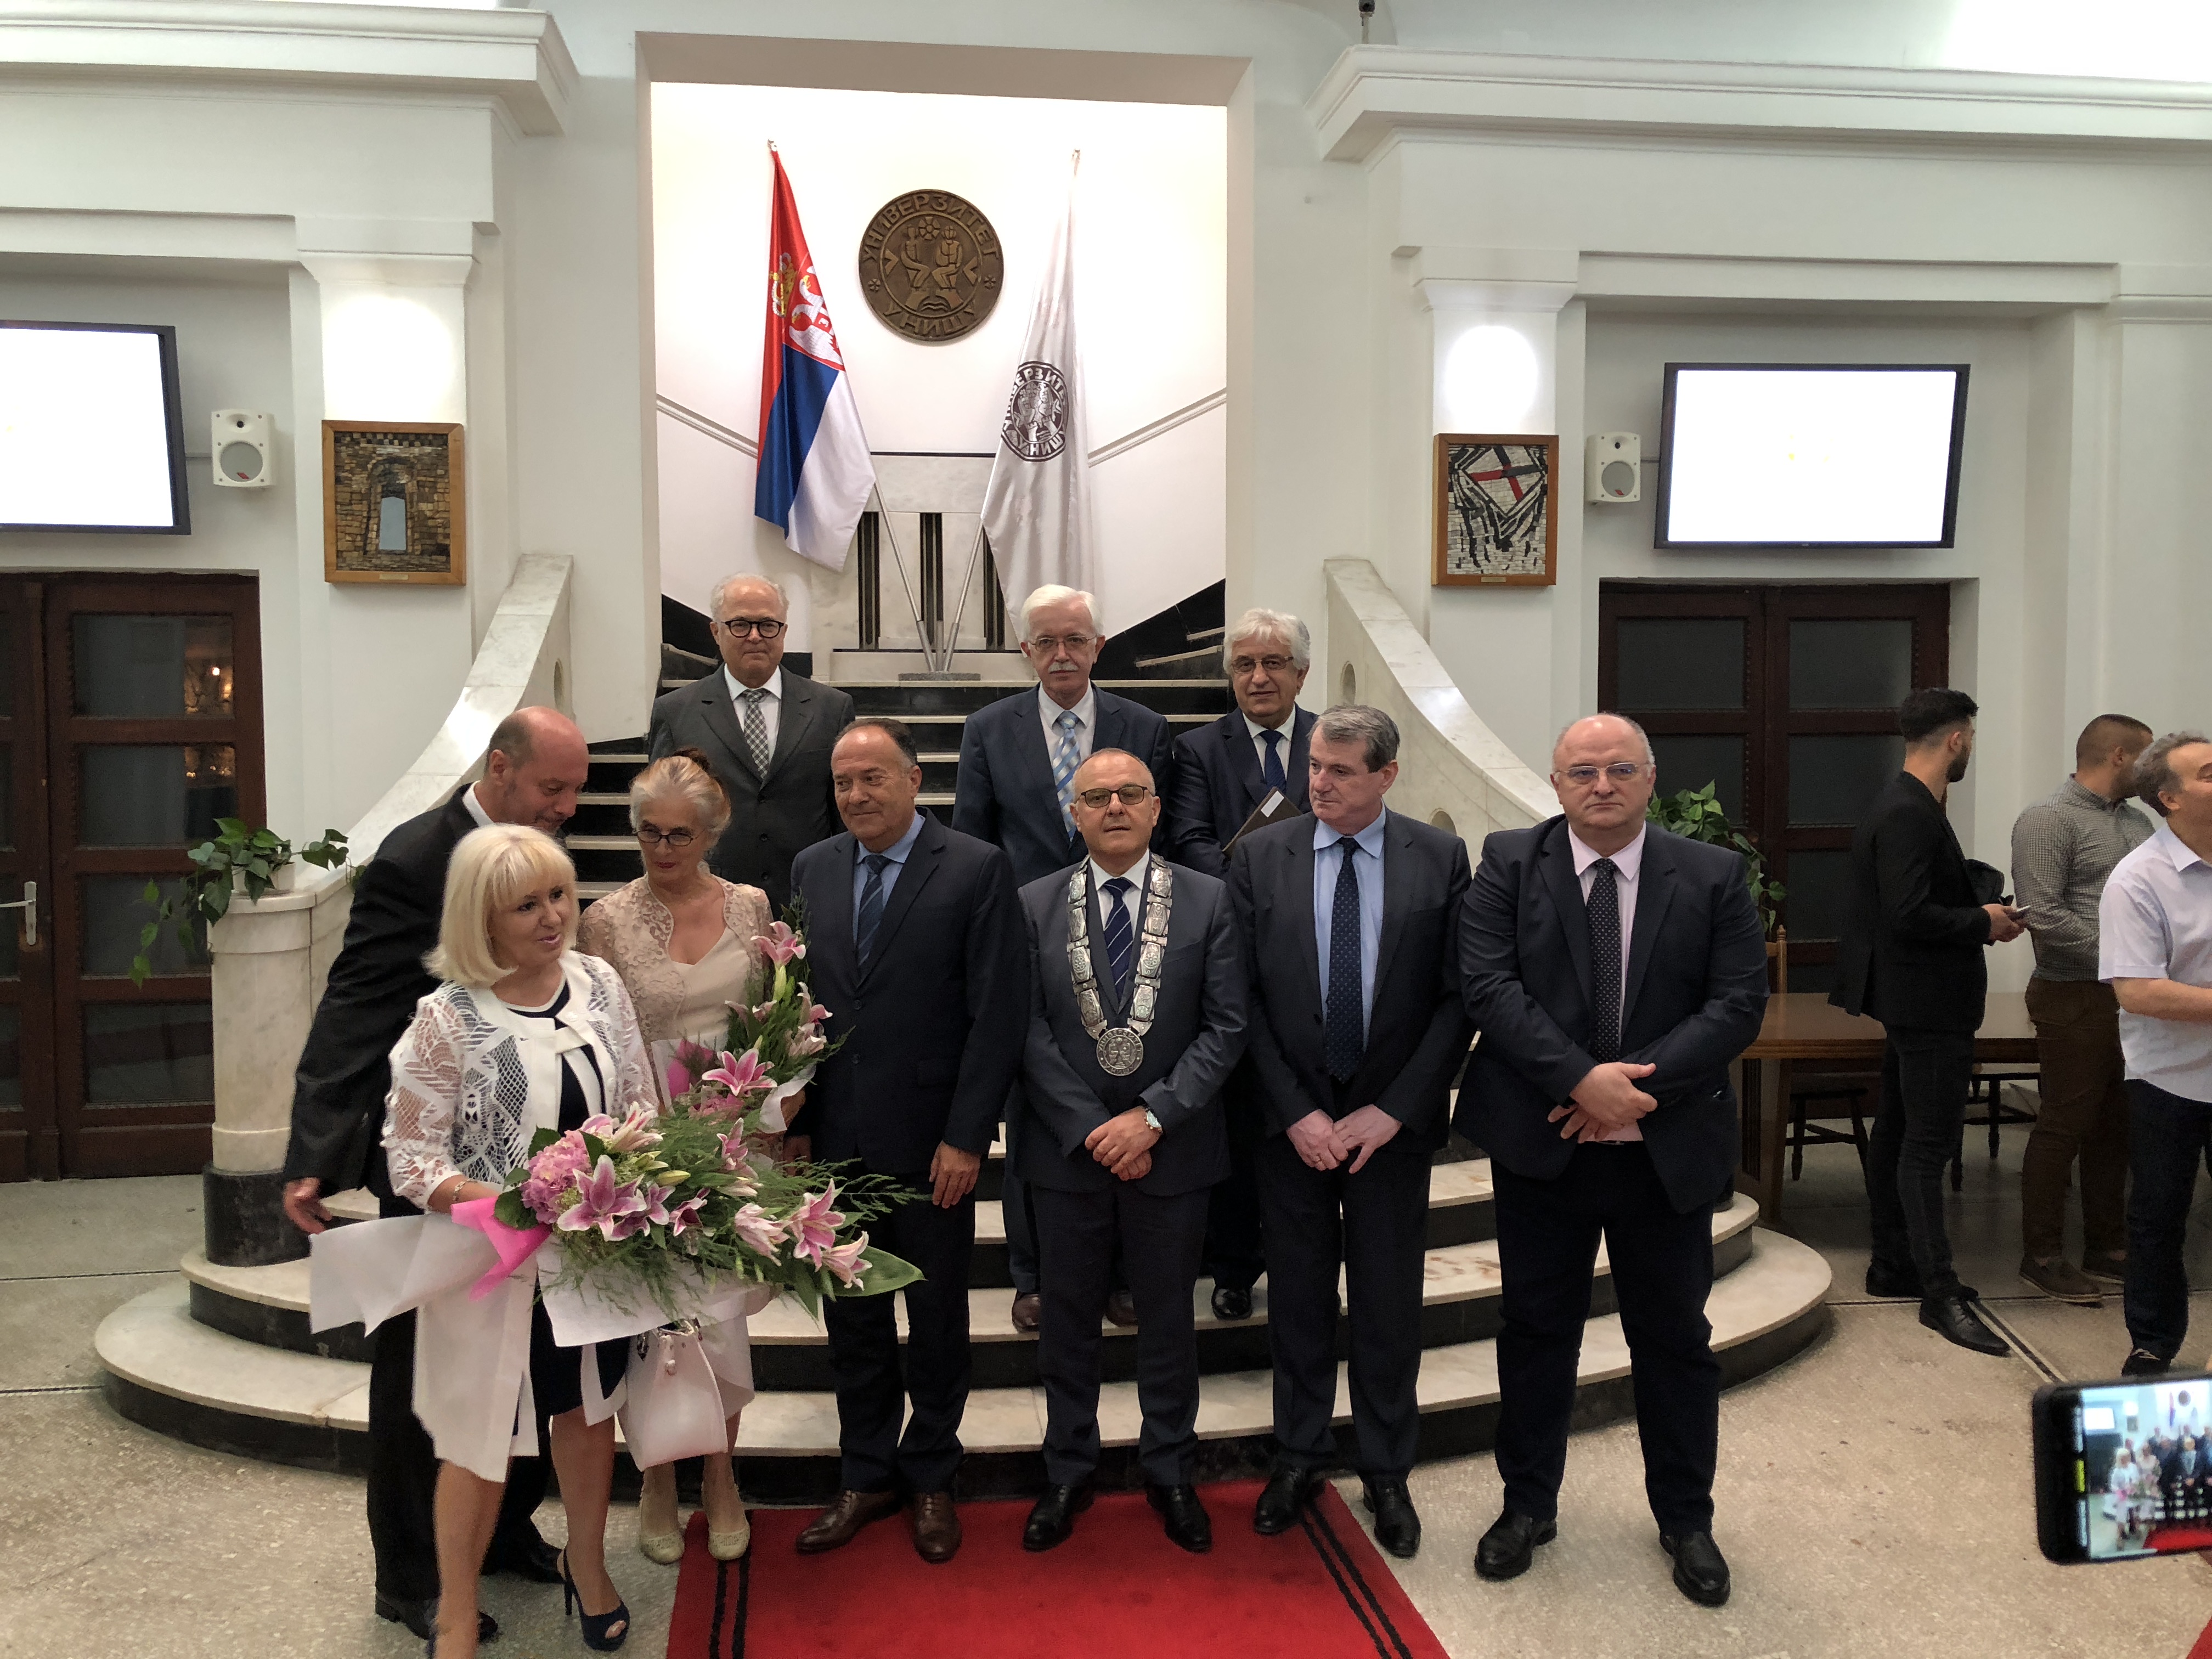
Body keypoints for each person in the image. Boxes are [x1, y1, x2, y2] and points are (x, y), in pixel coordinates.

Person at [280, 707, 589, 1643]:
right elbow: (358, 1001)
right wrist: (315, 1149)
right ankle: (410, 1573)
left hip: (533, 1167)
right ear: (499, 768)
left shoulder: (532, 846)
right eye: (554, 788)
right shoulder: (419, 858)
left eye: (577, 790)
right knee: (425, 1376)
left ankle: (498, 1530)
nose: (568, 807)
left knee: (527, 1359)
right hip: (439, 1166)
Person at [1459, 714, 1768, 1609]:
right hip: (1544, 1145)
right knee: (1535, 1332)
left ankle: (1686, 1518)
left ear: (1650, 778)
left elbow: (1736, 1002)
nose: (1601, 785)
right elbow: (1489, 986)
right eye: (1582, 771)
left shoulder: (1709, 874)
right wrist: (1579, 1080)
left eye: (1620, 769)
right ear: (1556, 783)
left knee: (1673, 1341)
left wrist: (1631, 1089)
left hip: (1664, 1151)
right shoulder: (1509, 862)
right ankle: (1527, 1504)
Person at [382, 825, 658, 1658]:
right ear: (481, 920)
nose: (553, 917)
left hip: (593, 1255)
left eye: (560, 895)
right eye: (526, 905)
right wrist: (514, 1202)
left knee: (586, 1414)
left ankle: (588, 1566)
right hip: (492, 1264)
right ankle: (457, 1612)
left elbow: (640, 1103)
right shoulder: (447, 1018)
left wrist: (631, 1180)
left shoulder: (599, 984)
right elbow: (410, 1157)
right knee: (476, 1440)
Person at [1231, 705, 1473, 1559]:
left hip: (1389, 1129)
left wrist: (1397, 1108)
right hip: (1290, 1125)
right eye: (1314, 766)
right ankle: (1298, 1455)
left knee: (1386, 1303)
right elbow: (1241, 998)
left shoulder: (1439, 857)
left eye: (1340, 770)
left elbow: (1457, 998)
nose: (1319, 782)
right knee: (1298, 1299)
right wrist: (1296, 1111)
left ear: (1386, 775)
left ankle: (1385, 1468)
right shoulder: (1260, 855)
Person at [786, 718, 1029, 1564]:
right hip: (837, 1145)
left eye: (873, 778)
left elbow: (998, 1013)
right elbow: (796, 1006)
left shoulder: (975, 867)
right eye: (843, 782)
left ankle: (931, 1475)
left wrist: (967, 1138)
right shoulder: (812, 868)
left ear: (915, 779)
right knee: (851, 1320)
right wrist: (797, 1125)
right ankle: (865, 1474)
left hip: (934, 1148)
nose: (855, 795)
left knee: (935, 1319)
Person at [1014, 749, 1248, 1556]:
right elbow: (1025, 1029)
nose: (1114, 807)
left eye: (1130, 794)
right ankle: (1068, 1470)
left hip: (1173, 1153)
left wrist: (1151, 1119)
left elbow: (1227, 1028)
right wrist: (1093, 1128)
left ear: (1155, 809)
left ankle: (1170, 1469)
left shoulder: (1211, 900)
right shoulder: (1033, 903)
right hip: (1067, 1155)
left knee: (1169, 1323)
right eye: (1096, 796)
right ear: (1073, 814)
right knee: (1067, 1324)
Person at [952, 584, 1172, 1331]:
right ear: (1025, 651)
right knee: (1034, 1106)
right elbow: (974, 843)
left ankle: (1124, 1275)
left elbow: (1162, 832)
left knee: (1125, 1092)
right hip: (1031, 942)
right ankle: (1033, 1274)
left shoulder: (1145, 727)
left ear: (1099, 646)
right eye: (1045, 642)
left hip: (1129, 932)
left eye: (1076, 639)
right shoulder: (989, 729)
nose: (1062, 654)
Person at [575, 749, 775, 1566]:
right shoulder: (603, 920)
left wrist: (768, 1098)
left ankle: (721, 1476)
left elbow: (770, 1019)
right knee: (652, 1321)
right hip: (643, 1142)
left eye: (680, 835)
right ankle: (656, 1478)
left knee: (721, 1322)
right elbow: (593, 1036)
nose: (662, 849)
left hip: (734, 1136)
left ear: (712, 833)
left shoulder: (752, 906)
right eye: (649, 833)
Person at [1832, 687, 2025, 1356]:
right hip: (1930, 1003)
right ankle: (1939, 1293)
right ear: (1956, 739)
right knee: (1928, 1145)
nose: (1971, 748)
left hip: (1912, 1000)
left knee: (1897, 1132)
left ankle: (1894, 1265)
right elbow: (1908, 913)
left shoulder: (1904, 801)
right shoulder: (1910, 811)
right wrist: (1985, 921)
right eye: (1971, 738)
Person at [1167, 607, 1319, 1321]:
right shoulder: (1198, 749)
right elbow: (1190, 839)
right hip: (1228, 948)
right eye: (1244, 665)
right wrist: (1256, 893)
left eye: (1273, 663)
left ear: (1301, 673)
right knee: (1234, 1120)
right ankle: (1233, 1267)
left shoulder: (1332, 739)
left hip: (1315, 953)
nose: (1258, 677)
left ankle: (1304, 1264)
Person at [2011, 714, 2154, 1305]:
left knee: (2116, 1125)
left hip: (2133, 997)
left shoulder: (2138, 822)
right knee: (2064, 1124)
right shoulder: (2048, 818)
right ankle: (2042, 1254)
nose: (2152, 770)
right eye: (2146, 757)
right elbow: (2042, 914)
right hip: (2073, 993)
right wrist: (2126, 957)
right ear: (2119, 756)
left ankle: (2108, 1246)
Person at [2101, 731, 2212, 1378]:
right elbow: (2139, 991)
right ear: (2170, 798)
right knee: (2159, 1216)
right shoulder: (2138, 879)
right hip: (2167, 1078)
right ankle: (2153, 1341)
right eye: (2210, 773)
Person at [647, 573, 855, 911]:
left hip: (809, 897)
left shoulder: (832, 709)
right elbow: (658, 815)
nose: (755, 636)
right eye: (740, 625)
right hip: (710, 904)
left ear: (784, 631)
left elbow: (842, 811)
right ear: (716, 632)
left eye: (768, 625)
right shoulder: (675, 713)